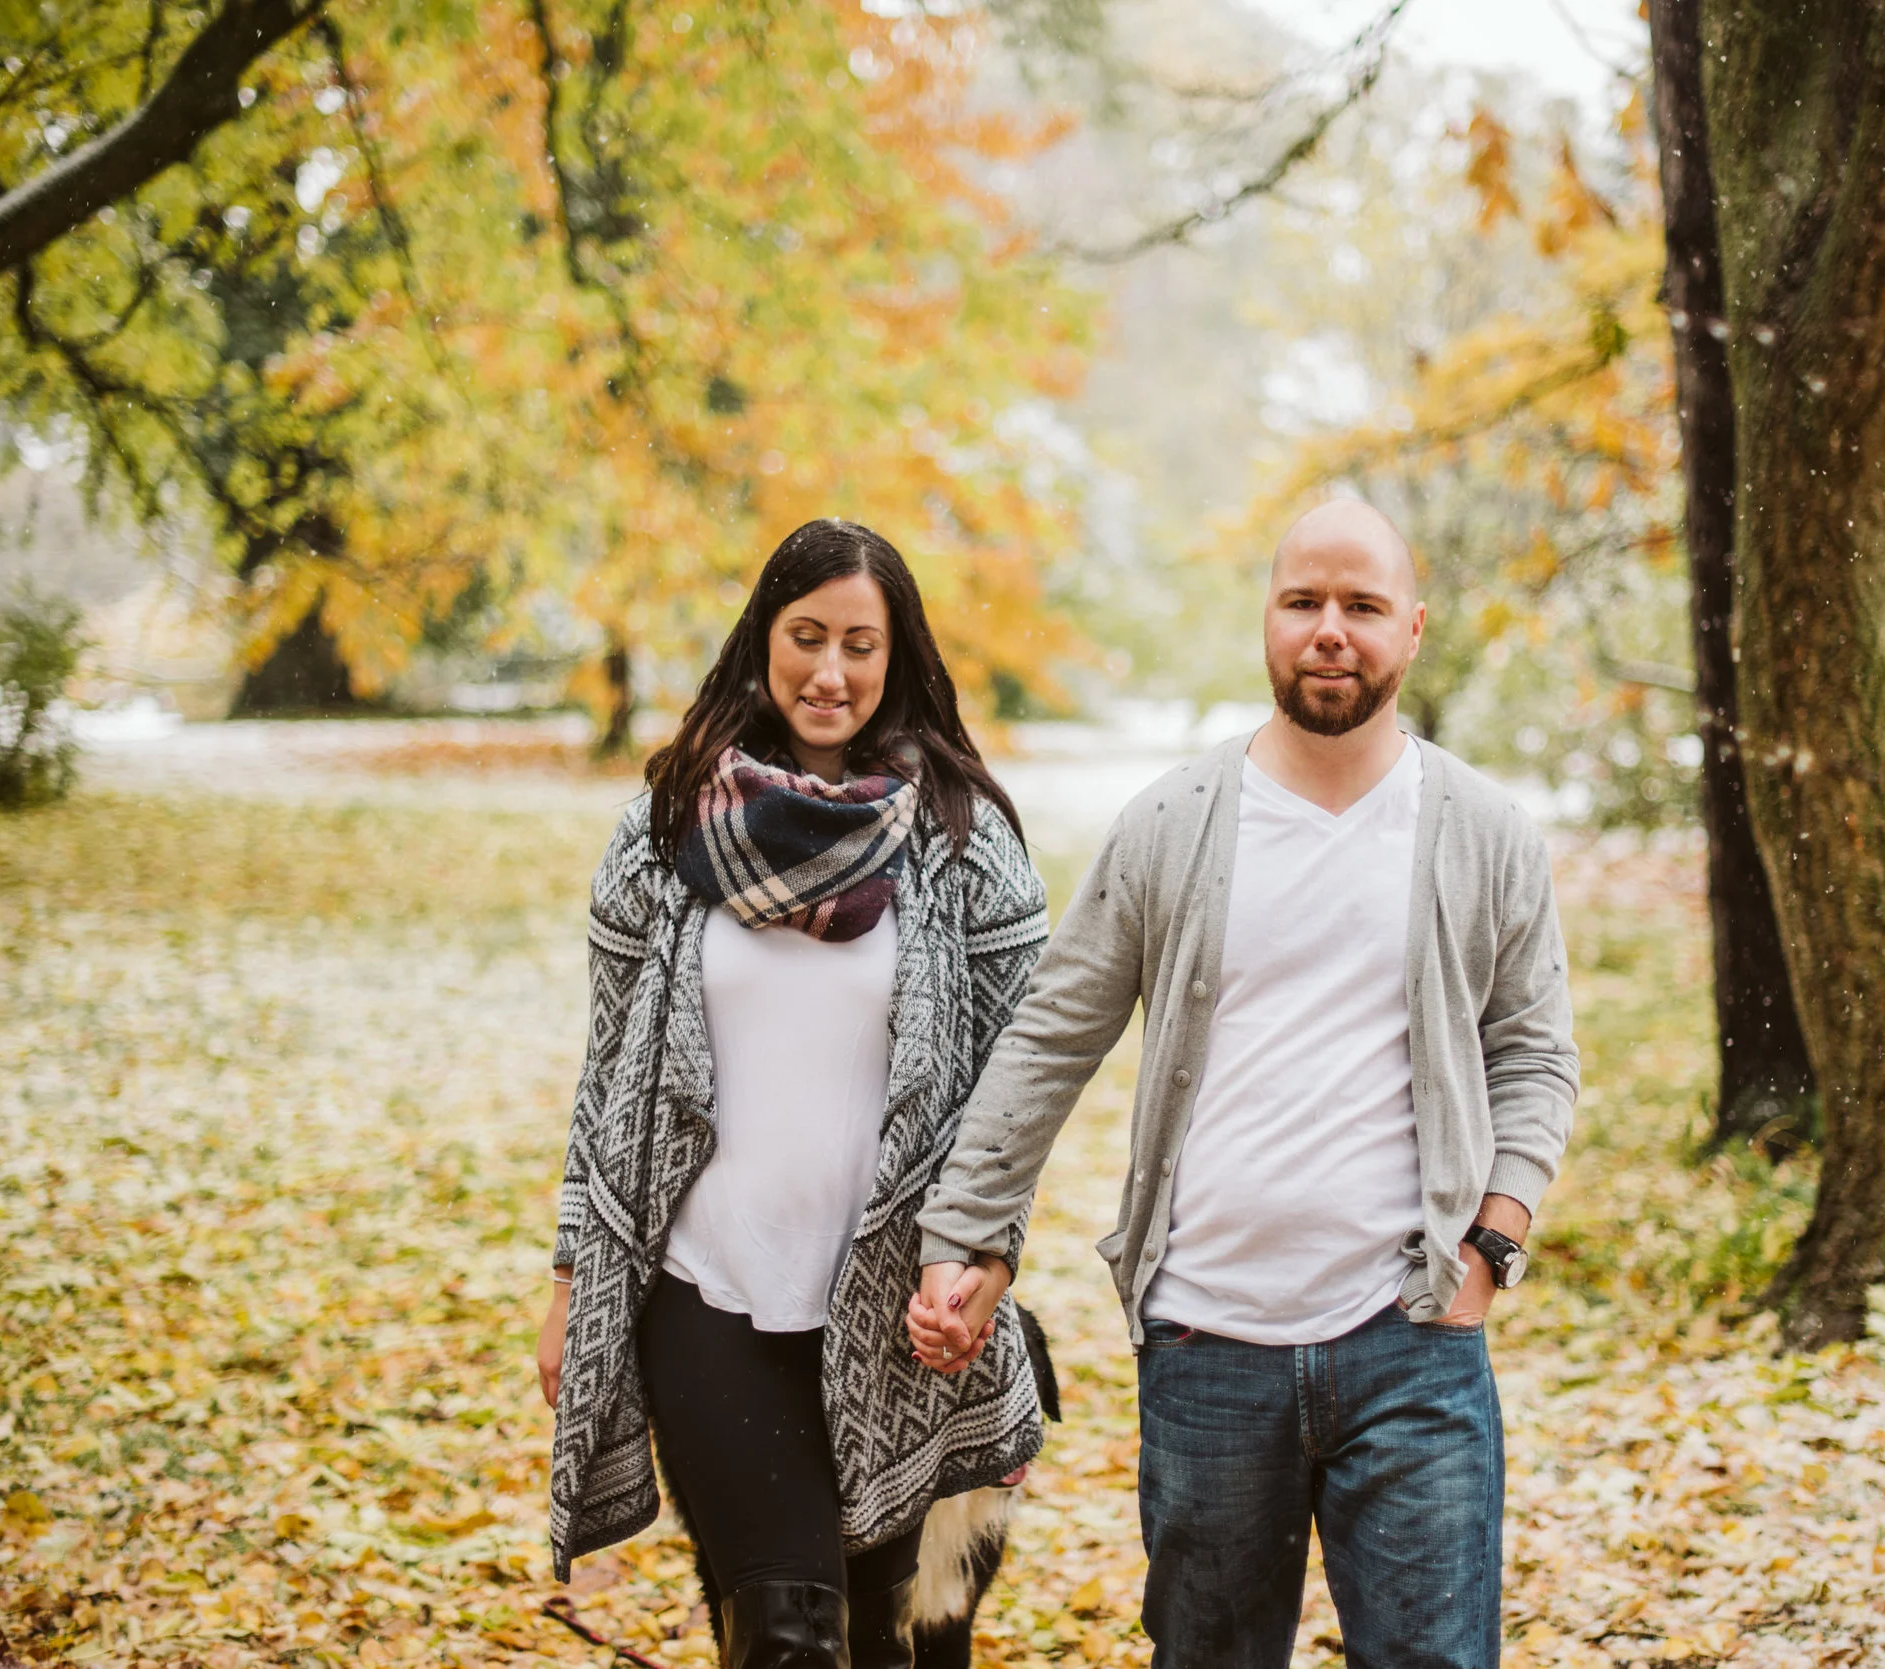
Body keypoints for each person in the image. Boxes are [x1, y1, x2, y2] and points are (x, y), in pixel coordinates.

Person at [907, 499, 1579, 1669]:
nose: (1331, 629)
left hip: (1413, 1342)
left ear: (1412, 629)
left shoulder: (1483, 832)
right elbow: (1051, 1035)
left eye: (1361, 606)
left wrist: (1491, 1241)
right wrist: (964, 1231)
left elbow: (1533, 1052)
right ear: (1266, 620)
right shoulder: (1172, 823)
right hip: (1206, 1344)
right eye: (1303, 602)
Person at [538, 518, 1053, 1669]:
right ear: (761, 640)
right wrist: (574, 1274)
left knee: (893, 1643)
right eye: (805, 635)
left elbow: (1021, 1089)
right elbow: (607, 1074)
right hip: (707, 1292)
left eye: (858, 644)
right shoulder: (665, 829)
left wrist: (988, 1257)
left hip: (894, 1315)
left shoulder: (967, 845)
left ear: (897, 653)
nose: (830, 671)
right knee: (783, 1638)